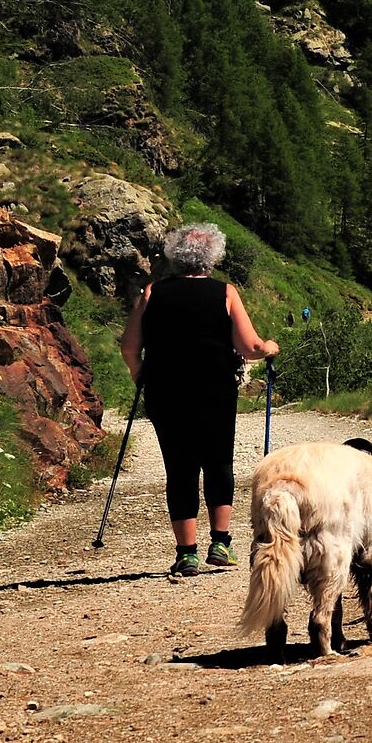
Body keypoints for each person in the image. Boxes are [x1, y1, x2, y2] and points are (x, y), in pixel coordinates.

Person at [119, 223, 280, 576]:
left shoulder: (151, 293)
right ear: (212, 257)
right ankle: (221, 543)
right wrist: (269, 348)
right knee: (218, 462)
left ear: (176, 256)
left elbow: (130, 347)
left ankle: (186, 552)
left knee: (180, 468)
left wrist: (139, 373)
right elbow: (249, 347)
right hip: (214, 389)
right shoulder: (225, 293)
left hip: (165, 391)